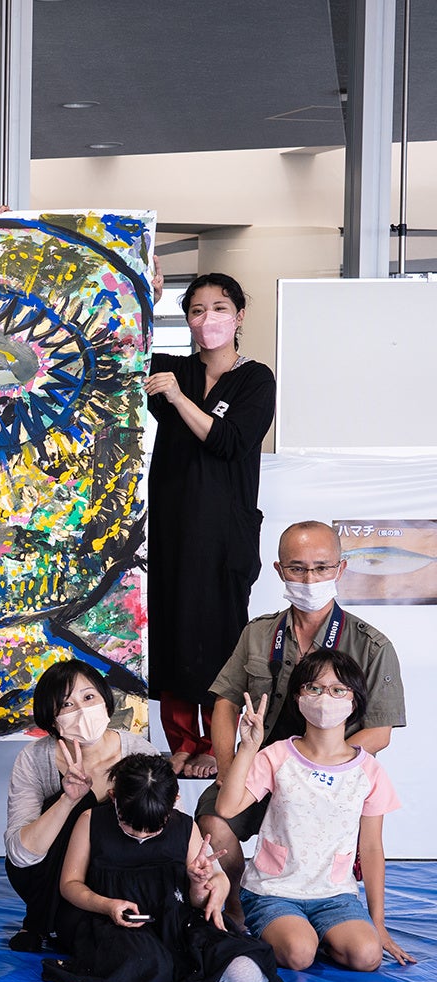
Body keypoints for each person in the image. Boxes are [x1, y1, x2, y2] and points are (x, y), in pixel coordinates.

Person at [200, 521, 405, 915]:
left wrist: (316, 767)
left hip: (327, 781)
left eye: (322, 568)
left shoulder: (372, 645)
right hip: (263, 765)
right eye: (297, 568)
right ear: (279, 570)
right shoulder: (259, 634)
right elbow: (224, 702)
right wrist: (229, 767)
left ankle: (322, 909)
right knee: (213, 827)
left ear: (340, 569)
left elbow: (379, 732)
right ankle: (241, 913)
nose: (310, 578)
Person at [144, 272, 276, 777]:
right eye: (197, 310)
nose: (208, 320)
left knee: (219, 632)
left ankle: (214, 742)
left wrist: (179, 400)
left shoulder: (255, 378)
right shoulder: (170, 369)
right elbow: (115, 349)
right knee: (174, 625)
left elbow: (228, 442)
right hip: (175, 524)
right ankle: (182, 740)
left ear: (239, 316)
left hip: (225, 530)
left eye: (219, 308)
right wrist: (140, 293)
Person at [217, 651, 416, 972]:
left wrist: (377, 924)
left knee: (367, 956)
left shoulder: (368, 770)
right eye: (314, 688)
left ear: (355, 701)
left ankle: (321, 933)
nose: (326, 698)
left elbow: (372, 848)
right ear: (298, 697)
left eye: (339, 690)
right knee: (299, 954)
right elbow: (226, 807)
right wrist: (249, 746)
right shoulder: (277, 755)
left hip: (335, 895)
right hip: (273, 891)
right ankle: (299, 934)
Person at [41, 754, 278, 982]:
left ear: (174, 802)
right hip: (111, 921)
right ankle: (172, 970)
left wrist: (201, 883)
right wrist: (107, 905)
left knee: (244, 974)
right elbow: (70, 884)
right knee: (142, 962)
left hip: (176, 920)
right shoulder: (91, 821)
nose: (142, 835)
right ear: (114, 798)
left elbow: (201, 898)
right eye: (130, 825)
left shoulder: (185, 827)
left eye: (154, 828)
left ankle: (181, 969)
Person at [4, 660, 167, 952]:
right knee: (73, 806)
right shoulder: (33, 759)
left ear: (105, 700)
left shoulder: (140, 752)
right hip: (54, 876)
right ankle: (43, 921)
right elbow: (20, 855)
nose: (81, 710)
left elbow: (167, 825)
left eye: (88, 697)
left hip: (121, 871)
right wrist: (68, 799)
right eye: (66, 704)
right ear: (52, 719)